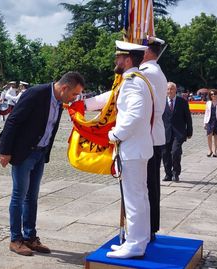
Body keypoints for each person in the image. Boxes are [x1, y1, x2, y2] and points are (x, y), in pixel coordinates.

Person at [0, 71, 85, 256]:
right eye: (74, 94)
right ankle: (15, 239)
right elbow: (13, 121)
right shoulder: (36, 94)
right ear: (64, 87)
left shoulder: (60, 102)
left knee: (32, 197)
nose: (74, 98)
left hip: (40, 153)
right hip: (24, 153)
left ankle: (30, 237)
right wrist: (4, 150)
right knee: (19, 196)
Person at [85, 41, 153, 259]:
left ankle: (135, 244)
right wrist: (83, 105)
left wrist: (114, 135)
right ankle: (137, 241)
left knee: (134, 199)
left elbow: (134, 115)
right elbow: (111, 98)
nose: (116, 61)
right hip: (136, 149)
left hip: (132, 149)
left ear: (128, 59)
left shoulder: (133, 82)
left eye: (119, 57)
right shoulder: (134, 80)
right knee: (139, 198)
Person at [139, 37, 168, 241]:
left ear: (148, 52)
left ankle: (147, 228)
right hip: (154, 134)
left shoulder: (147, 73)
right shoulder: (156, 71)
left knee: (146, 186)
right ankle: (150, 227)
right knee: (151, 185)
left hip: (147, 135)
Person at [162, 82, 193, 182]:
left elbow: (188, 117)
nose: (169, 91)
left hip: (179, 133)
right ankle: (168, 174)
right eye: (168, 89)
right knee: (165, 154)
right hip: (165, 133)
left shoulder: (182, 101)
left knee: (175, 152)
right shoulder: (162, 102)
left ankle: (176, 173)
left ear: (175, 90)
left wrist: (189, 131)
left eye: (172, 89)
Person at [204, 89, 217, 157]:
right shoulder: (208, 103)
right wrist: (205, 122)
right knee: (209, 135)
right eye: (212, 94)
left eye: (214, 94)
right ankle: (210, 150)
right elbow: (206, 113)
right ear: (210, 95)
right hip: (209, 121)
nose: (213, 95)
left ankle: (215, 151)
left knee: (216, 136)